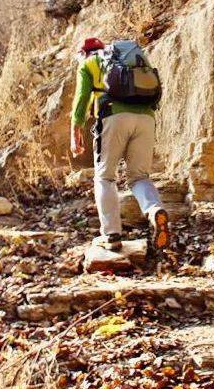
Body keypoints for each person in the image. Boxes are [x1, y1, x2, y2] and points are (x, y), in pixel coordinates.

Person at [70, 37, 170, 251]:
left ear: (83, 53)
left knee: (105, 176)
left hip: (114, 117)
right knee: (139, 177)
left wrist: (75, 131)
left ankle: (112, 234)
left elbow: (81, 100)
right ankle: (155, 211)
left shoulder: (89, 64)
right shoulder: (124, 58)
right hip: (146, 117)